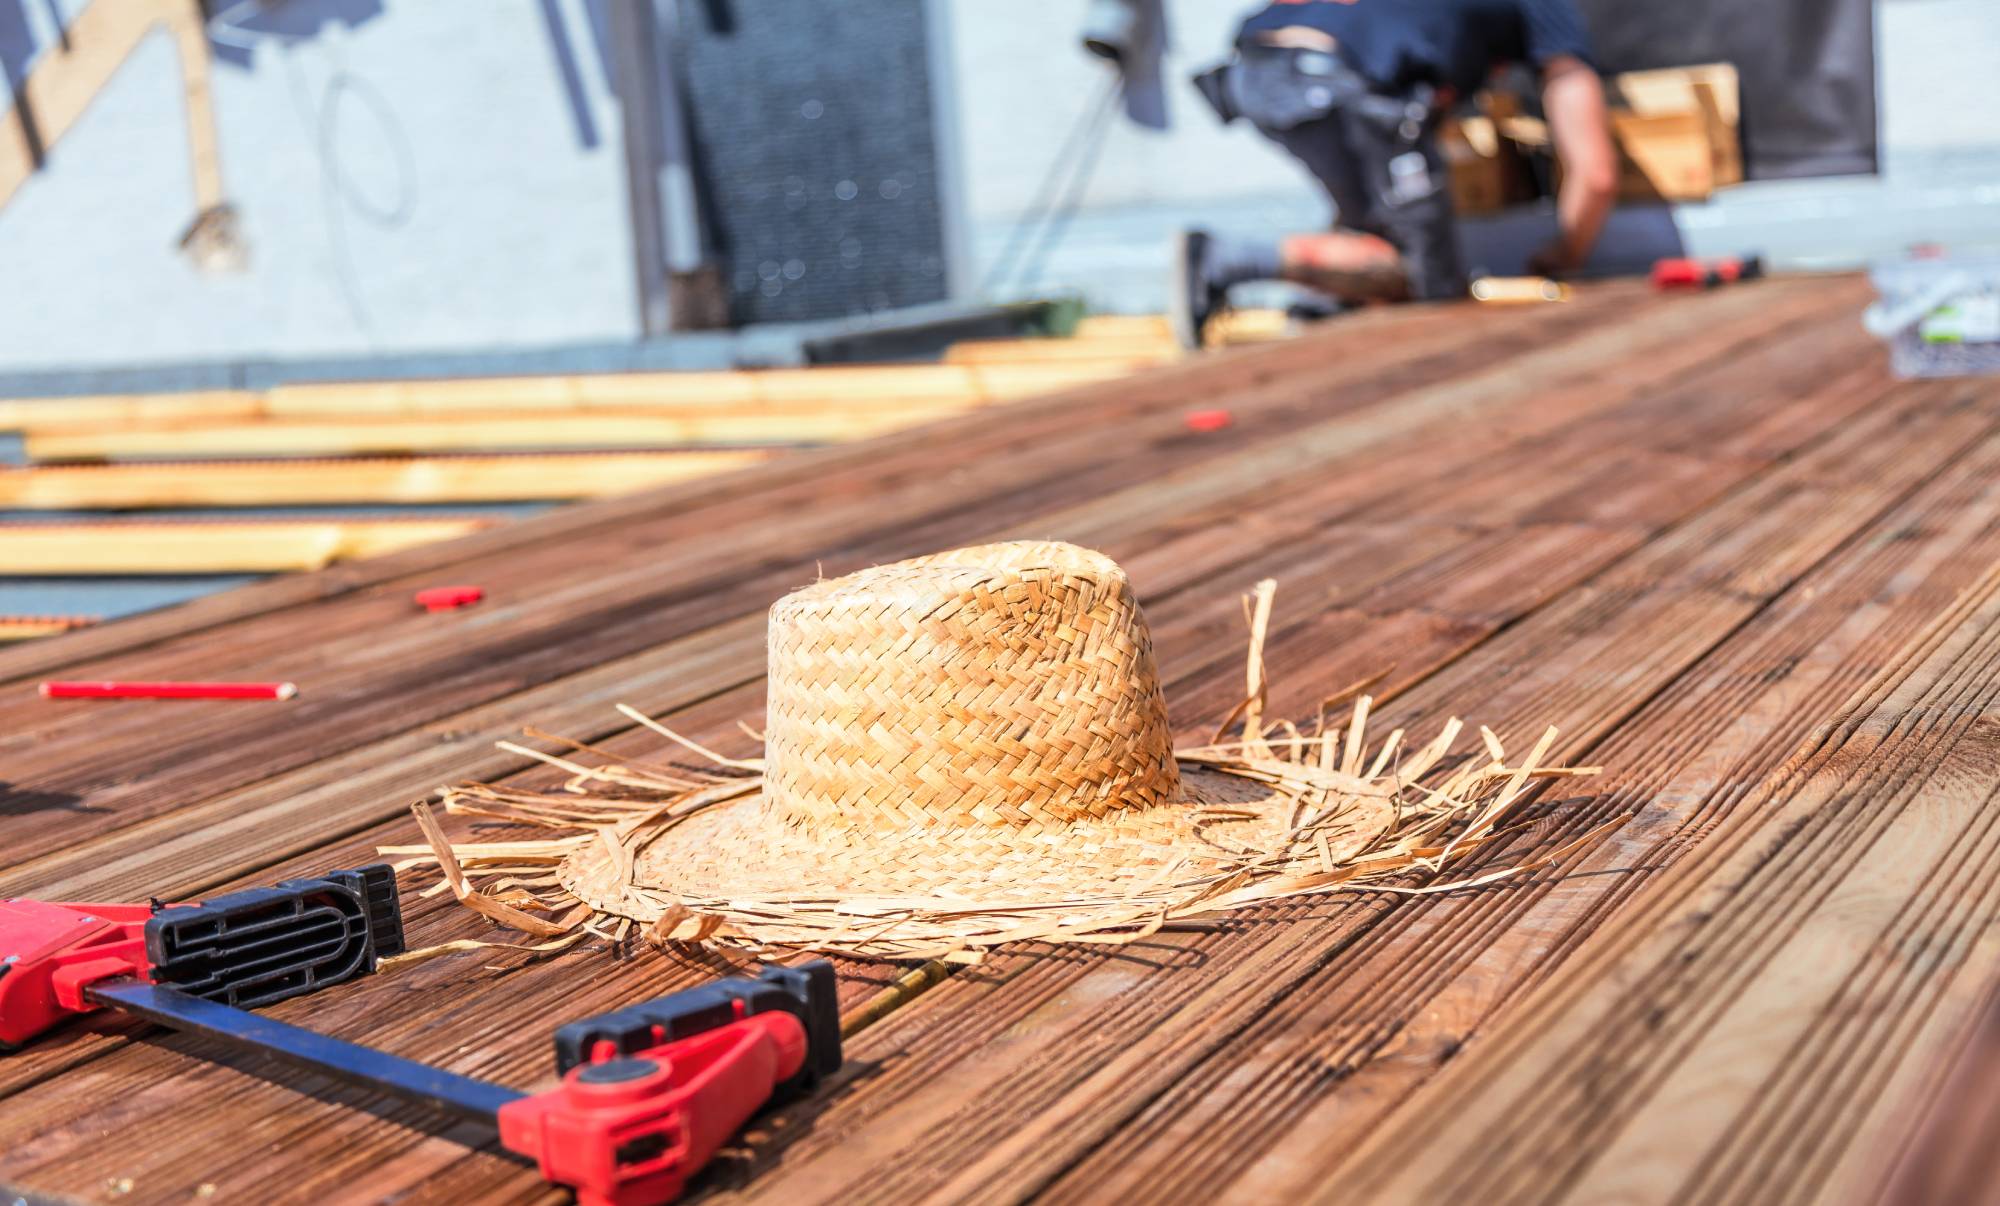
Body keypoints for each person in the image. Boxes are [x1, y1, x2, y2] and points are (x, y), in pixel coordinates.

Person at [1172, 0, 1619, 347]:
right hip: (1335, 75)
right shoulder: (1545, 8)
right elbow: (1596, 175)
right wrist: (1566, 253)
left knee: (1373, 221)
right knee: (1432, 282)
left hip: (1254, 69)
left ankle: (1320, 297)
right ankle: (1226, 259)